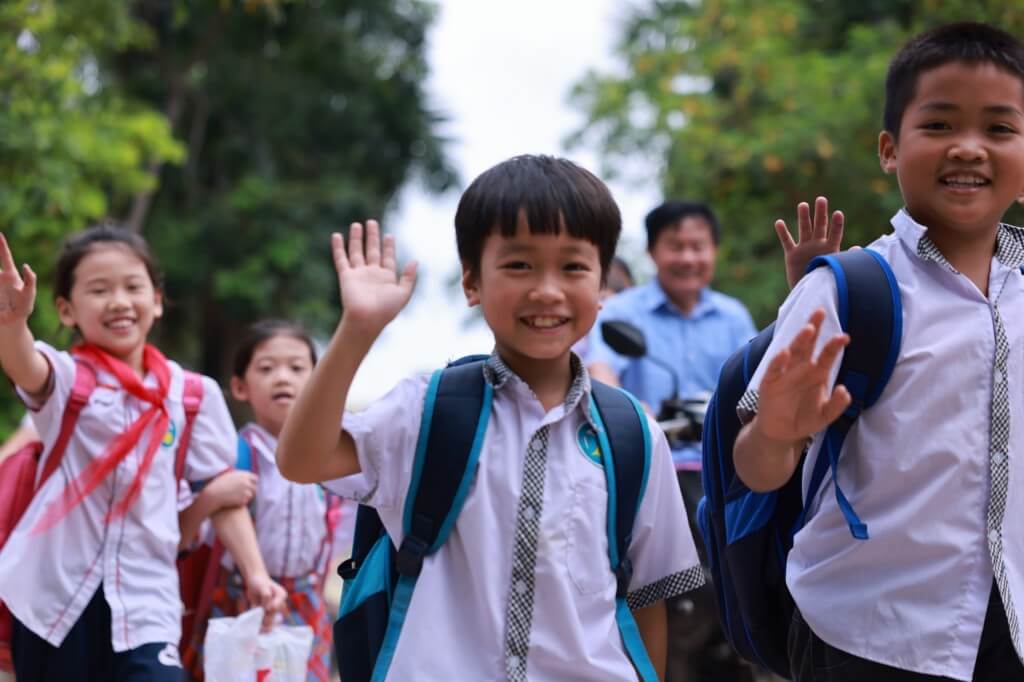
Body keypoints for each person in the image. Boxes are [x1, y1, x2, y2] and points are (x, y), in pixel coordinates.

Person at [276, 154, 703, 680]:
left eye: (573, 266)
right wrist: (357, 332)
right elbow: (301, 460)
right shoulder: (424, 410)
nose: (547, 289)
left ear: (601, 291)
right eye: (520, 264)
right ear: (472, 282)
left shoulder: (633, 434)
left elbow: (644, 599)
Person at [734, 22, 1024, 681]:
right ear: (890, 149)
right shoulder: (844, 290)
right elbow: (755, 465)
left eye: (1000, 129)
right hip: (867, 638)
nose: (970, 149)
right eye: (941, 124)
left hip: (1010, 635)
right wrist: (778, 431)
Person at [0, 226, 286, 682]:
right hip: (54, 600)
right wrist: (12, 325)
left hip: (146, 600)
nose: (118, 301)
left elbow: (224, 493)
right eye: (99, 289)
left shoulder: (192, 396)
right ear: (66, 309)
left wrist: (255, 573)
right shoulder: (70, 381)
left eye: (133, 287)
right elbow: (26, 366)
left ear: (155, 299)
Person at [183, 320, 344, 682]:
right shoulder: (232, 455)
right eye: (267, 368)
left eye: (297, 368)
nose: (283, 378)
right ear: (240, 387)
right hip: (239, 605)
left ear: (318, 382)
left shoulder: (331, 462)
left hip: (308, 607)